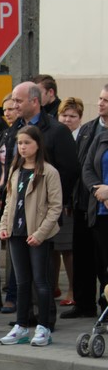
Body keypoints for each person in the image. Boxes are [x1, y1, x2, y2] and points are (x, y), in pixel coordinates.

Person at [0, 126, 62, 346]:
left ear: (38, 144)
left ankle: (44, 327)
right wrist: (4, 226)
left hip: (37, 234)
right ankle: (21, 326)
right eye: (20, 143)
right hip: (17, 233)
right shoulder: (16, 170)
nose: (23, 147)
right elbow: (9, 202)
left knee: (41, 282)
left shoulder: (49, 172)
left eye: (27, 143)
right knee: (22, 282)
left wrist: (40, 234)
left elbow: (55, 207)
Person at [67, 85, 108, 320]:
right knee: (82, 258)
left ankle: (105, 305)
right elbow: (82, 166)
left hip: (103, 207)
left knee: (104, 261)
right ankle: (83, 305)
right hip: (85, 203)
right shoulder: (88, 129)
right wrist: (92, 190)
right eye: (100, 99)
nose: (100, 103)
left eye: (106, 100)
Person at [52, 97, 84, 307]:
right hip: (54, 198)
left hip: (70, 201)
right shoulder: (55, 135)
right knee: (53, 247)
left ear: (80, 118)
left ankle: (72, 288)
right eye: (64, 115)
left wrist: (70, 199)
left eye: (73, 116)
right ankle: (53, 285)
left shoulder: (81, 137)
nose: (67, 119)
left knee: (67, 248)